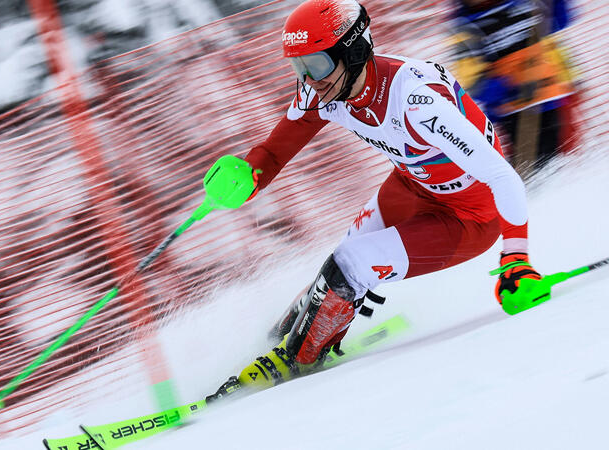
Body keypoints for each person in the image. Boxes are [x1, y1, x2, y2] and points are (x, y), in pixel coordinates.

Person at [203, 0, 545, 398]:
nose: (309, 80)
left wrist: (516, 259)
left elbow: (503, 177)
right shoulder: (328, 89)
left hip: (468, 216)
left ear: (352, 50)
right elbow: (274, 152)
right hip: (411, 188)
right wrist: (246, 178)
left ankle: (299, 360)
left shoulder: (418, 101)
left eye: (315, 65)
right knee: (324, 286)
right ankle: (289, 341)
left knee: (350, 265)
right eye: (299, 68)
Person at [450, 0, 579, 173]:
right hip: (515, 113)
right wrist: (510, 89)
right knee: (533, 167)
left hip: (551, 98)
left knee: (561, 160)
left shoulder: (525, 3)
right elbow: (471, 80)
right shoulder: (465, 26)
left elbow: (559, 21)